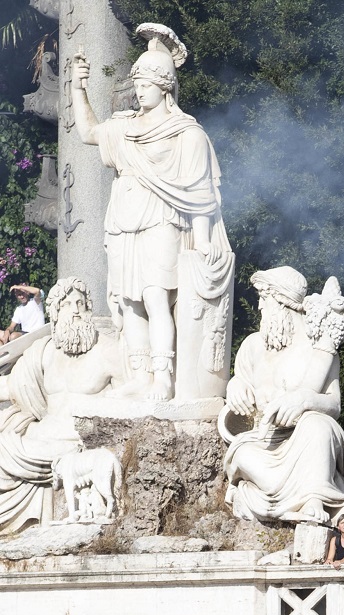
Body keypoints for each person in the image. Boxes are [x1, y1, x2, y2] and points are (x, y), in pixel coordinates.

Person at [70, 25, 235, 400]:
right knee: (129, 302)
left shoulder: (186, 134)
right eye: (137, 82)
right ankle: (141, 374)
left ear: (166, 87)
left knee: (156, 297)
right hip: (123, 218)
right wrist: (78, 88)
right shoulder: (124, 127)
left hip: (162, 218)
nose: (139, 89)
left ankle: (164, 375)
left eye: (146, 83)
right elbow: (88, 132)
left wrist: (205, 239)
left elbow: (200, 192)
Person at [223, 267, 344, 523]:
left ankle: (313, 498)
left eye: (264, 298)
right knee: (241, 455)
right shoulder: (252, 345)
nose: (260, 307)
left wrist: (305, 401)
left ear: (282, 302)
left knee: (318, 425)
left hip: (304, 440)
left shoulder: (318, 349)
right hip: (263, 441)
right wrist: (235, 386)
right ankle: (285, 499)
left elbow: (334, 404)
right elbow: (240, 382)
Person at [0, 277, 125, 535]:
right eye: (67, 304)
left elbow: (134, 397)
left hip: (75, 445)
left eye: (81, 302)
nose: (76, 309)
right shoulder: (44, 351)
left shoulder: (109, 350)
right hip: (35, 440)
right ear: (55, 313)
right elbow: (12, 388)